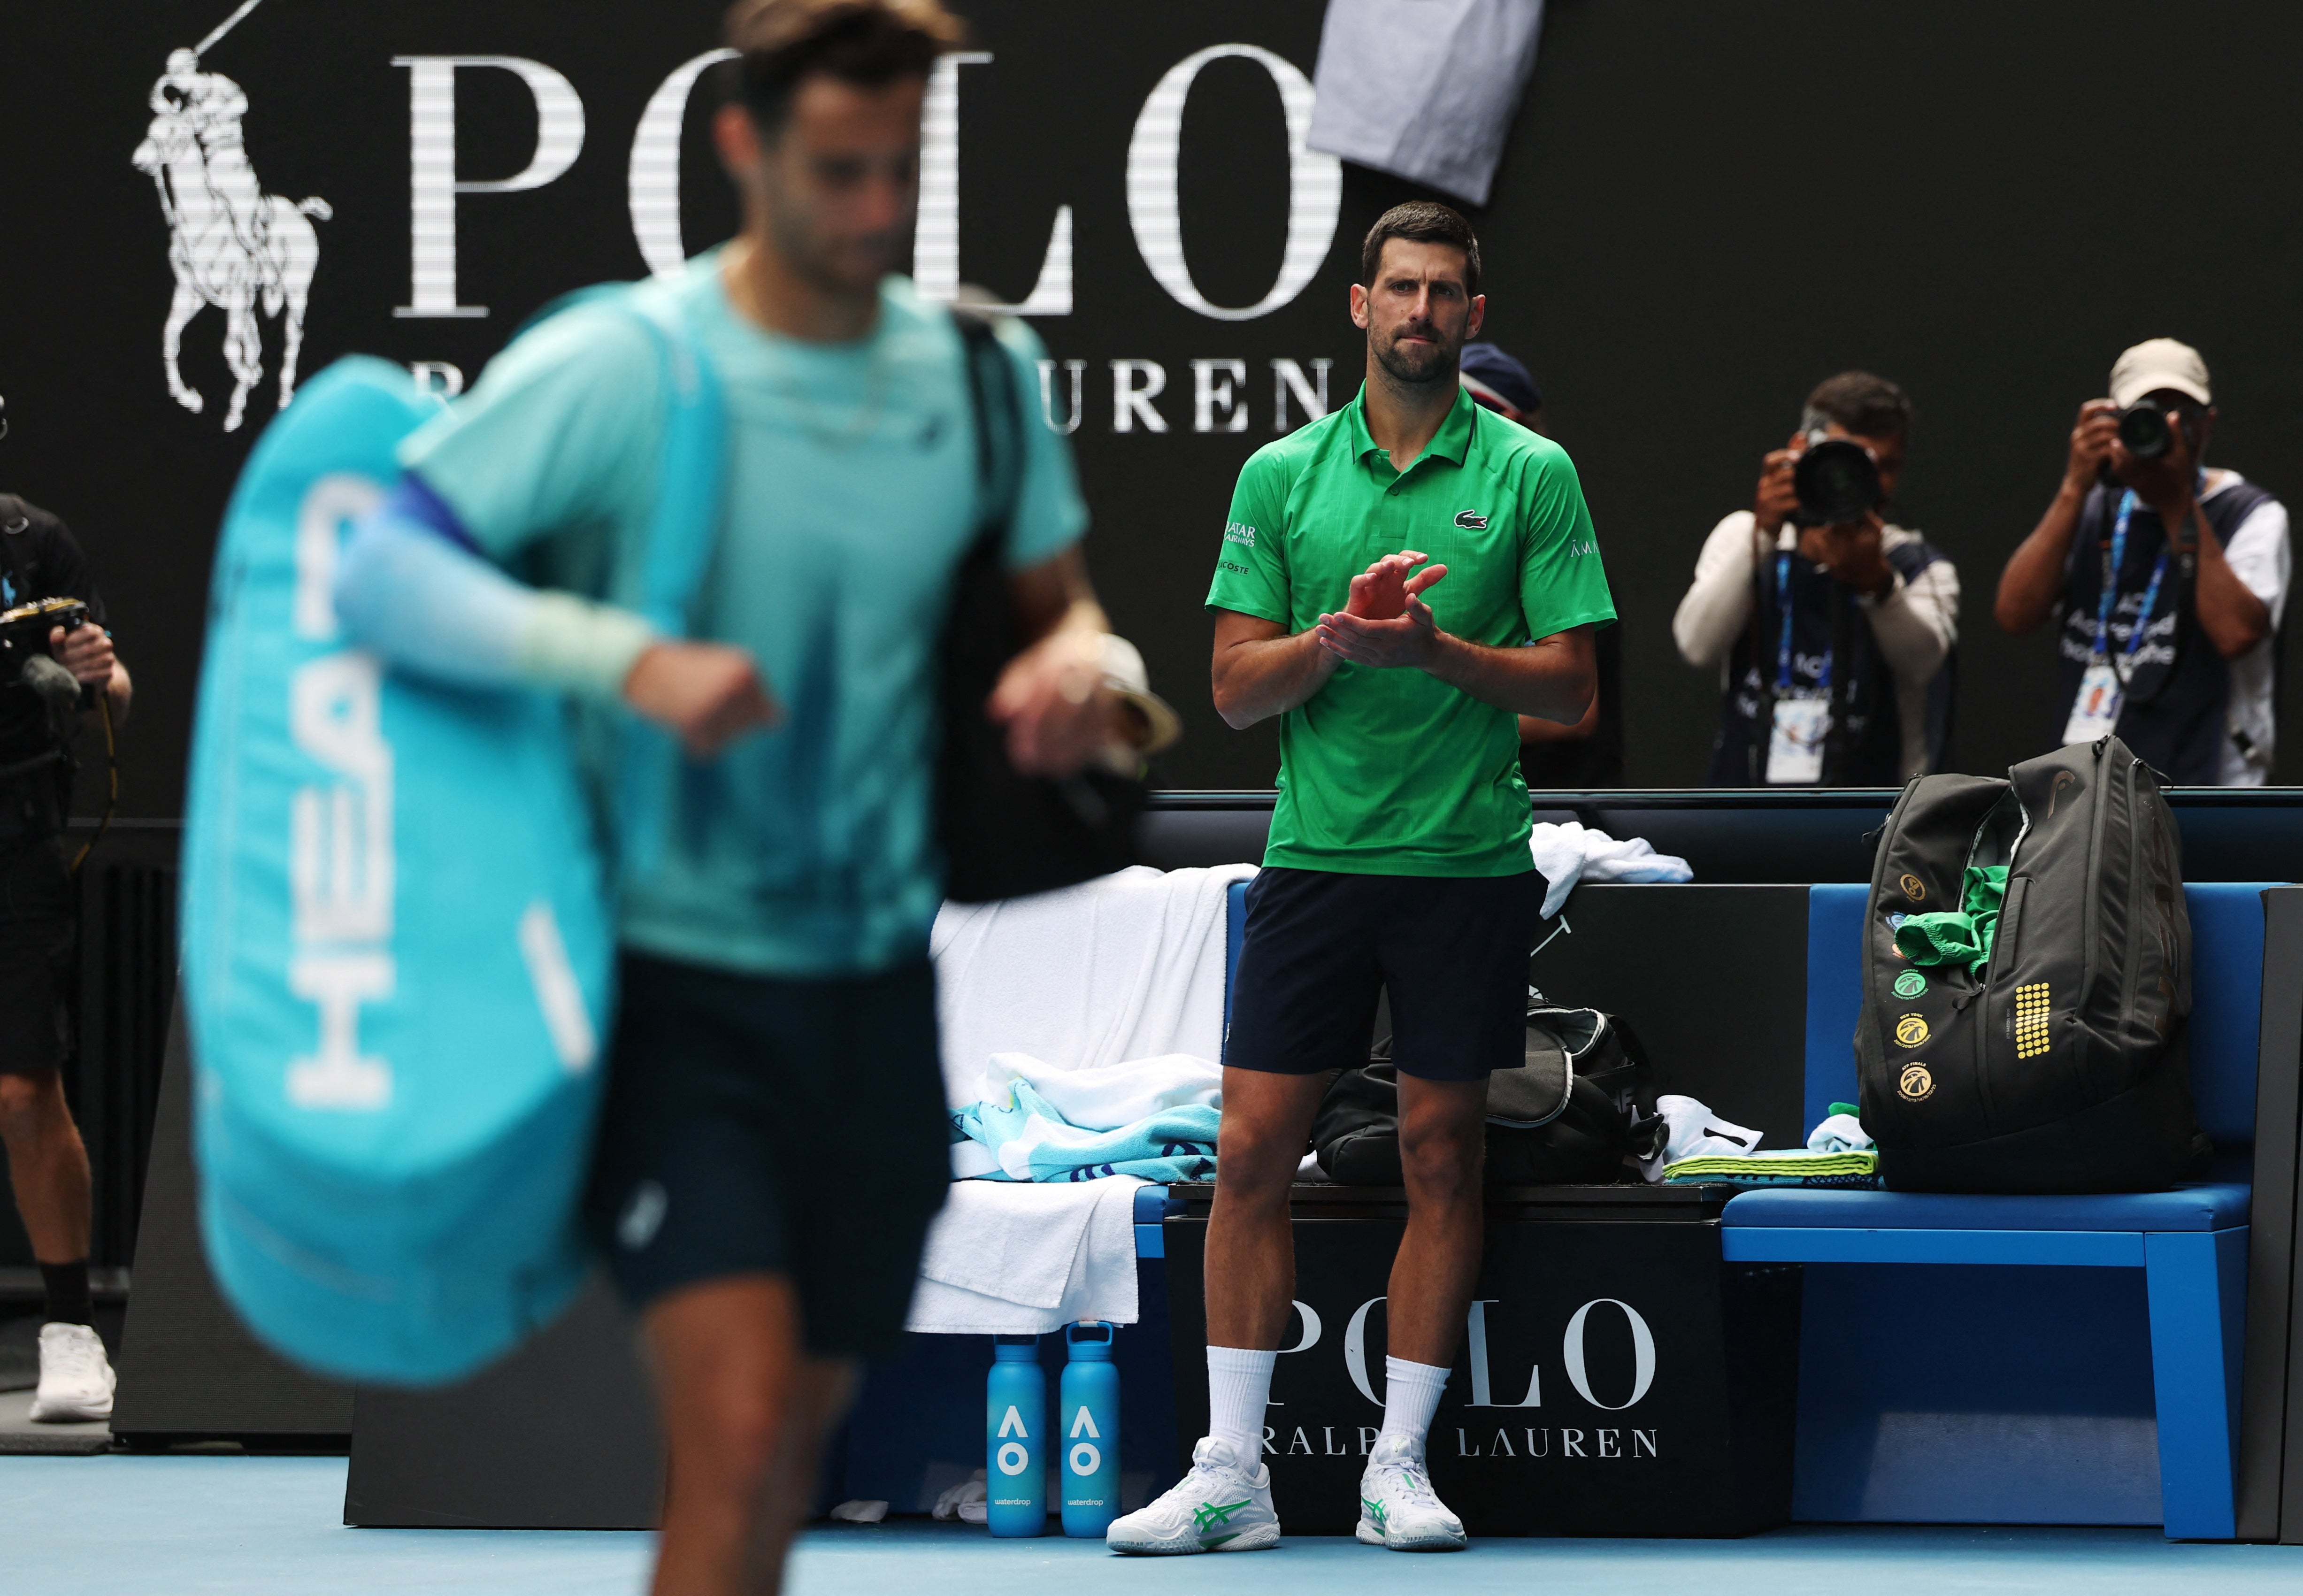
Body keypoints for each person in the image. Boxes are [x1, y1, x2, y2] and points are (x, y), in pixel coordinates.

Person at [331, 3, 1138, 1591]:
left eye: (896, 171)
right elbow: (377, 566)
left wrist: (1084, 680)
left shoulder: (976, 377)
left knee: (787, 1457)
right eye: (833, 172)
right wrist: (624, 659)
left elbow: (1070, 612)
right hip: (665, 997)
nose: (868, 214)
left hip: (872, 1000)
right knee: (741, 1421)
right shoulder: (624, 367)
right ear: (742, 148)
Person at [1106, 202, 1613, 1555]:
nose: (1421, 312)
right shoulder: (1280, 477)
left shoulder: (1532, 474)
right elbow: (1227, 689)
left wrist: (1437, 655)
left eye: (1446, 292)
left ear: (1473, 316)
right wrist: (1337, 641)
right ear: (1359, 305)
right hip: (1315, 865)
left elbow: (1570, 691)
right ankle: (1232, 1476)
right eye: (1400, 288)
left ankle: (1398, 1469)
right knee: (1251, 1155)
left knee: (1445, 1156)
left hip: (1464, 868)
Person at [1993, 338, 2288, 784]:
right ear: (2112, 420)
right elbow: (2015, 614)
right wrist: (2075, 487)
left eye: (2182, 414)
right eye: (2146, 413)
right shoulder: (2095, 507)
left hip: (2207, 781)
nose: (2164, 429)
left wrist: (2176, 503)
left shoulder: (2251, 514)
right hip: (2093, 786)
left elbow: (2238, 634)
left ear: (2208, 424)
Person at [0, 483, 133, 1425]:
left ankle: (72, 1330)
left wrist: (95, 670)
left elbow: (116, 688)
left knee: (23, 1088)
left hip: (18, 833)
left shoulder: (36, 539)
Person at [1673, 372, 1958, 785]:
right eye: (1851, 459)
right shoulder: (1746, 537)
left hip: (1870, 819)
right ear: (1799, 451)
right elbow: (1696, 646)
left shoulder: (1916, 564)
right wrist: (1764, 535)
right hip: (1744, 808)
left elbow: (1924, 665)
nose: (1867, 481)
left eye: (1887, 466)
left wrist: (1877, 583)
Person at [1459, 342, 1625, 787]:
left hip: (1561, 816)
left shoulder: (1557, 542)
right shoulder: (1456, 541)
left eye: (1457, 413)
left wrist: (1429, 723)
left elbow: (1572, 711)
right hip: (1468, 812)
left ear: (1507, 423)